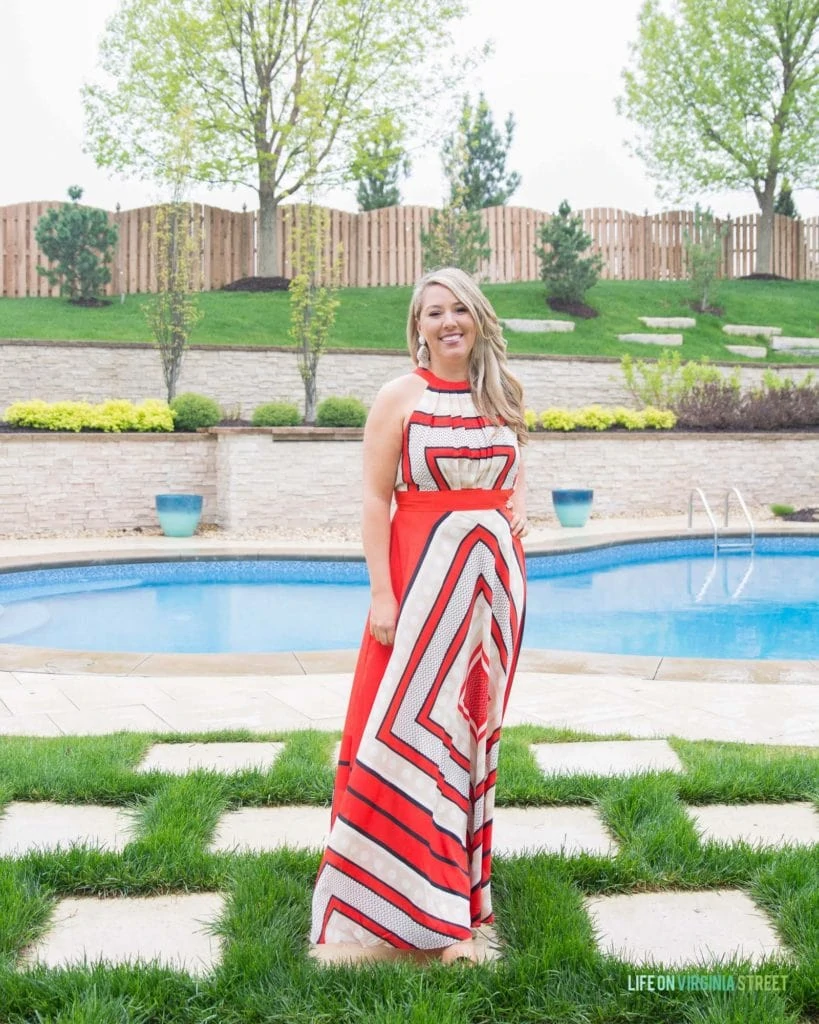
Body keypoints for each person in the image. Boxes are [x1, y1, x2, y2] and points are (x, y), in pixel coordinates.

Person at [309, 266, 528, 965]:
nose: (448, 322)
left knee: (465, 736)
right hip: (419, 584)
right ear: (417, 326)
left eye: (460, 308)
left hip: (490, 594)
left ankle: (456, 889)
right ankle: (387, 896)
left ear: (479, 318)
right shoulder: (398, 396)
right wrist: (382, 593)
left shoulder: (502, 392)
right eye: (434, 312)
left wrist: (519, 501)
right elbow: (377, 500)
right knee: (400, 729)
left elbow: (512, 469)